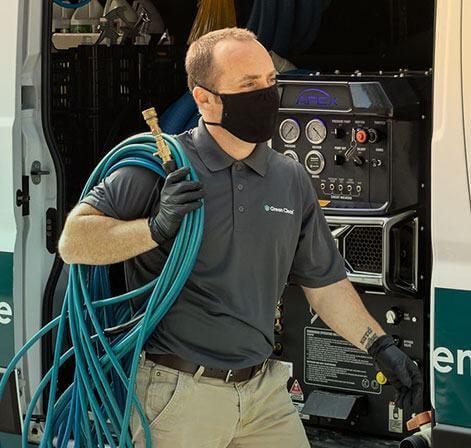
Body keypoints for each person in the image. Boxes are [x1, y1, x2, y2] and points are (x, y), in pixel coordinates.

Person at [58, 27, 422, 448]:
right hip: (179, 393)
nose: (267, 95)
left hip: (262, 394)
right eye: (249, 85)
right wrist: (155, 228)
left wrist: (379, 347)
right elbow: (74, 241)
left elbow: (325, 286)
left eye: (270, 82)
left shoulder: (289, 179)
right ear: (204, 98)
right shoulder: (160, 167)